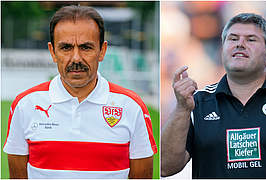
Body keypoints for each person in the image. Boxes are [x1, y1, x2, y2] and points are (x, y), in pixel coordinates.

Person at [3, 5, 157, 179]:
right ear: (53, 52)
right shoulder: (25, 105)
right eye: (66, 48)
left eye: (86, 47)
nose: (76, 58)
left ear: (102, 51)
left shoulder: (132, 107)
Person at [161, 13, 266, 178]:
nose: (240, 44)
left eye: (251, 39)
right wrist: (182, 109)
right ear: (222, 50)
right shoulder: (198, 102)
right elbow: (165, 167)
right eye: (233, 39)